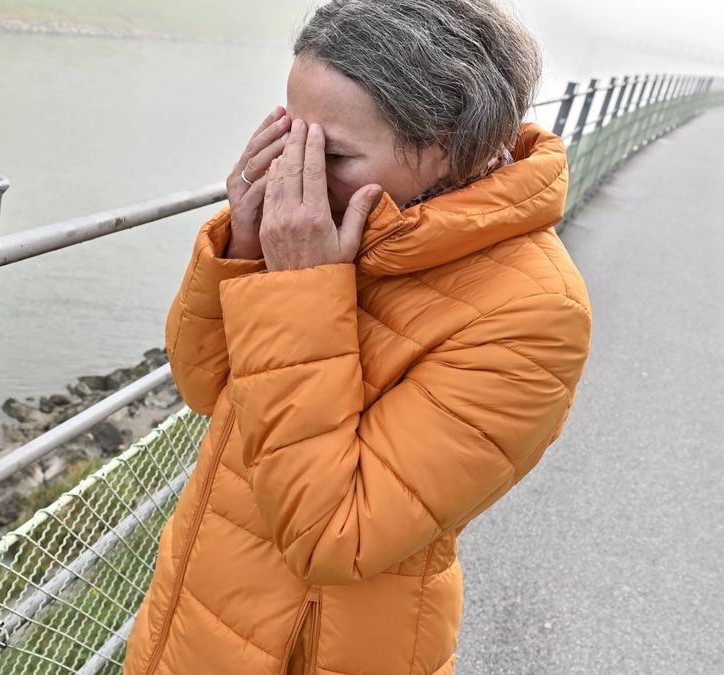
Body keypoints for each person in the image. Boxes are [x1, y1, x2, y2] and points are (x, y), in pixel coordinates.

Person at [122, 1, 592, 674]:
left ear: (449, 143)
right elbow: (204, 386)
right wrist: (246, 248)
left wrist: (298, 289)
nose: (293, 174)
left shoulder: (535, 313)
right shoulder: (337, 231)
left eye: (331, 153)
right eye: (289, 138)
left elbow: (333, 533)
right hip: (194, 615)